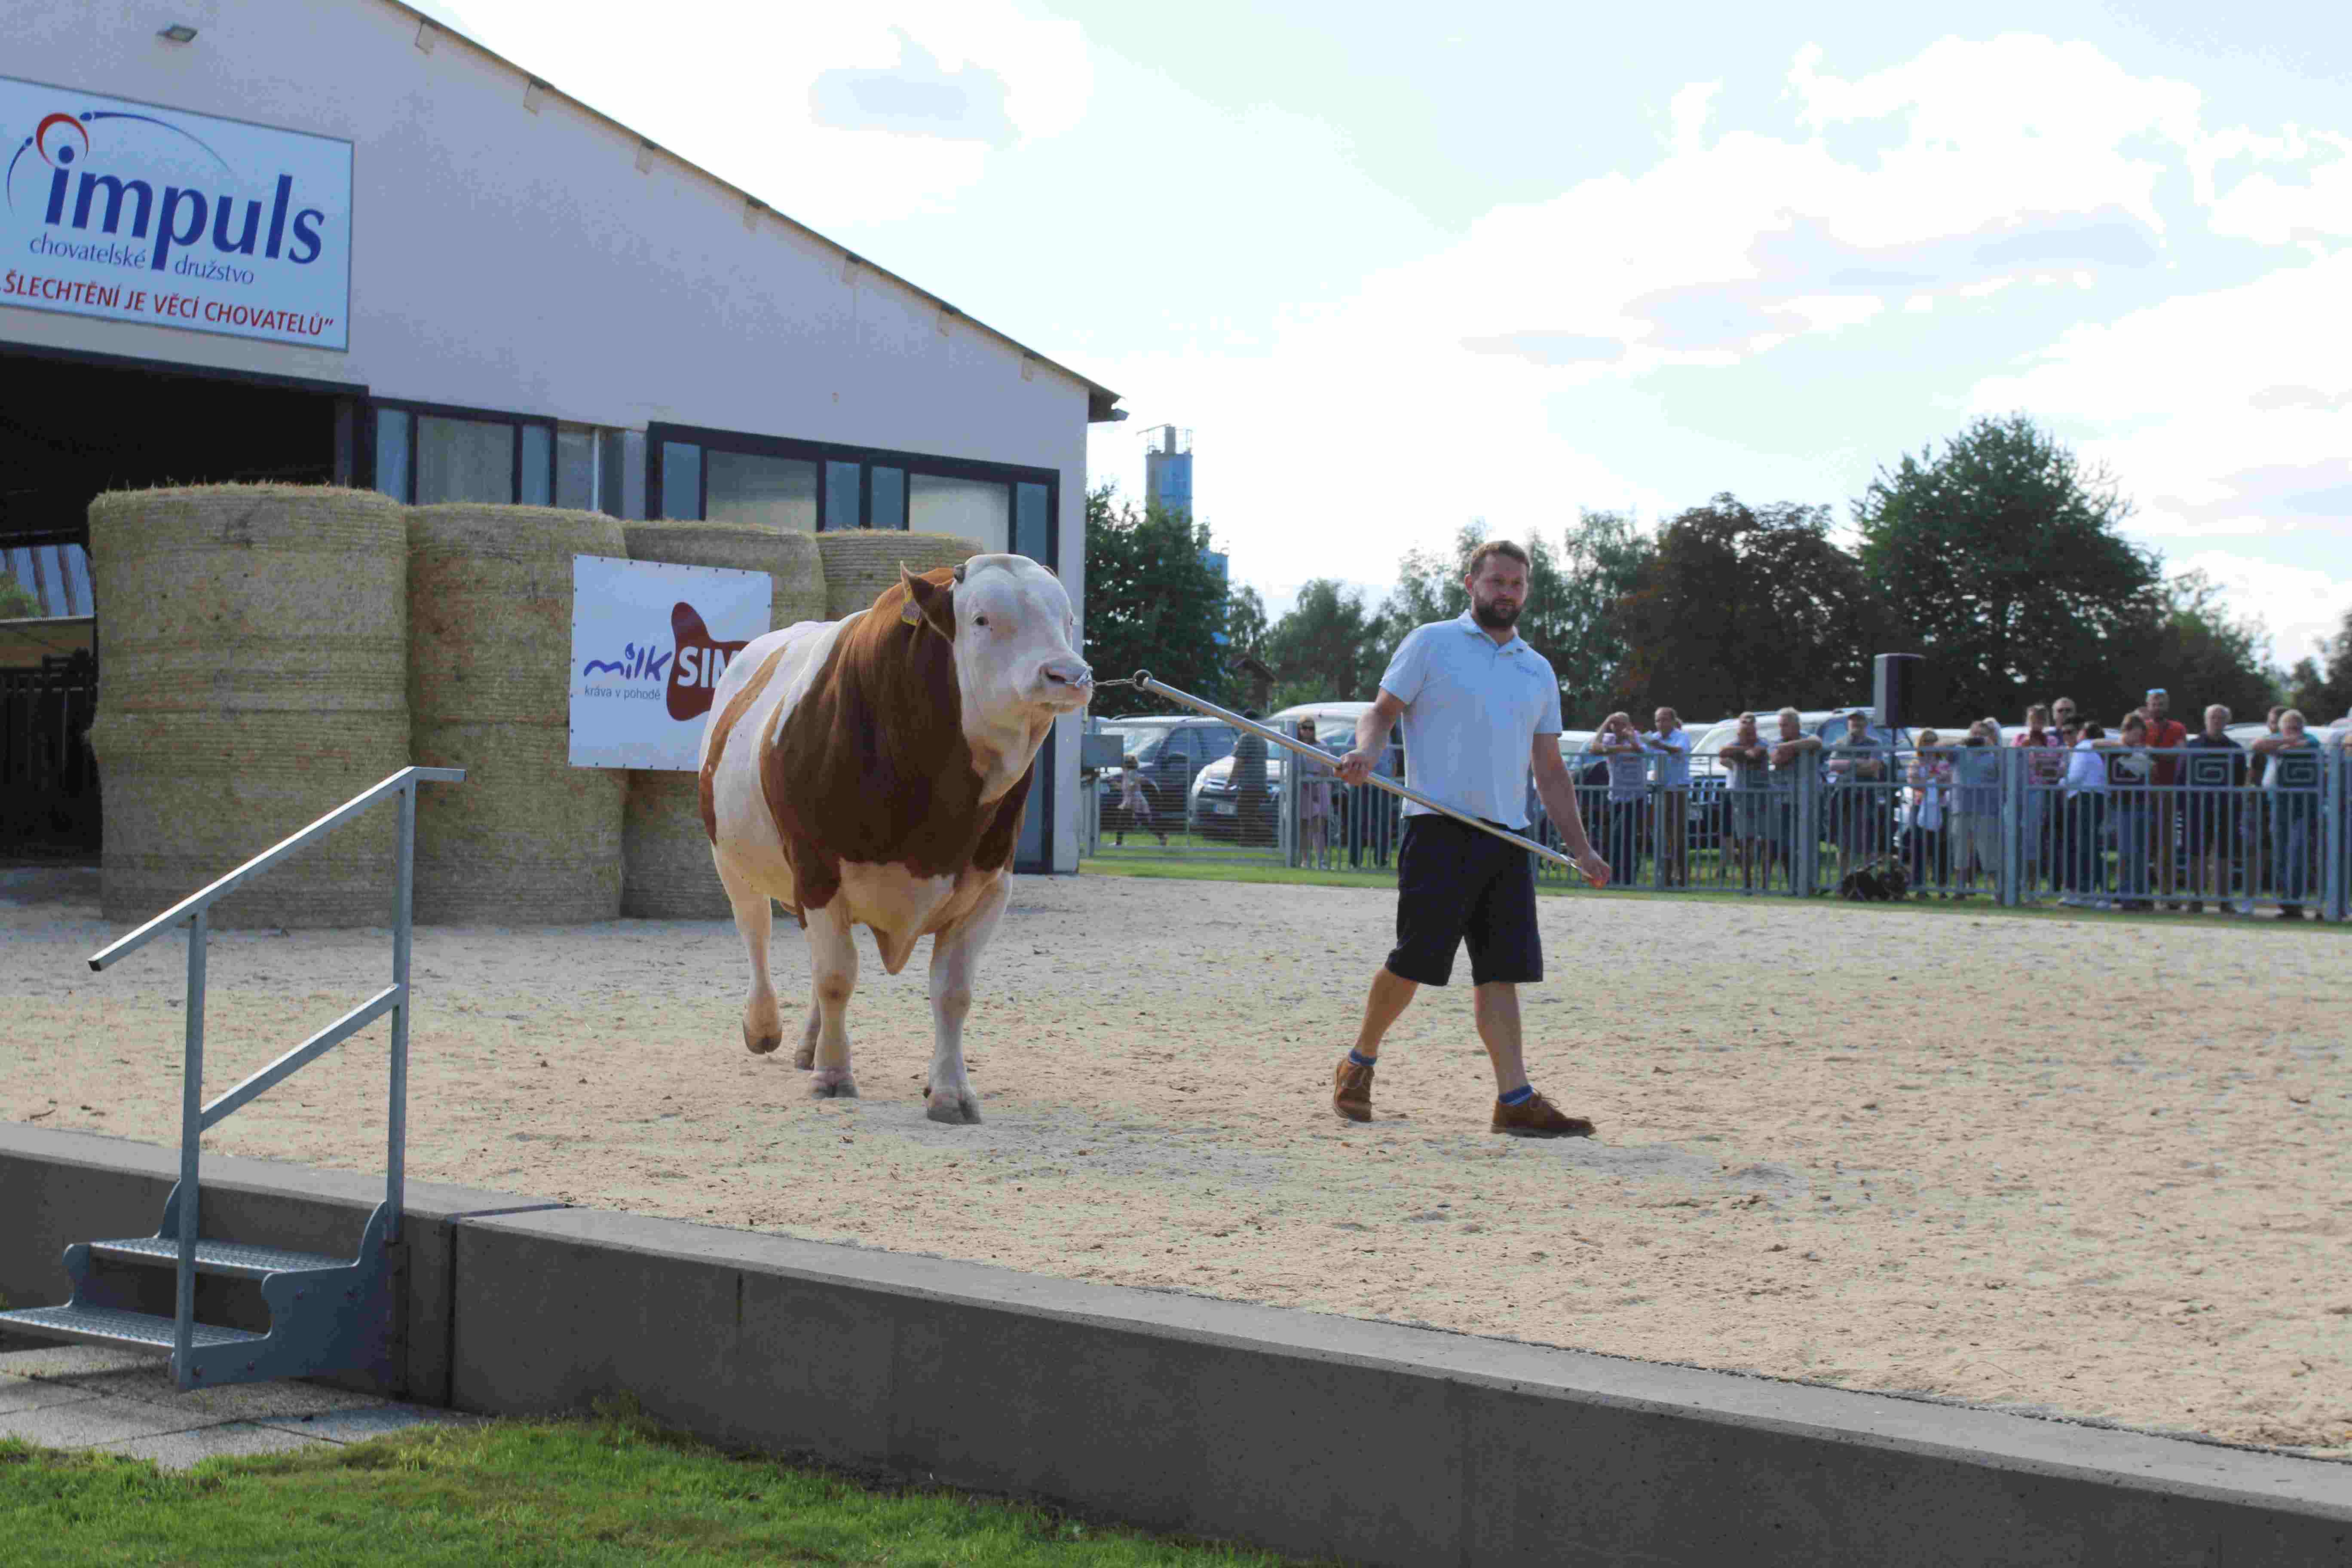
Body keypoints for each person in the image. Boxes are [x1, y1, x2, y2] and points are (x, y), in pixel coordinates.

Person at [1330, 540, 1609, 1137]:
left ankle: (1515, 1099)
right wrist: (1368, 753)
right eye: (1496, 581)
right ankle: (1359, 1063)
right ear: (1471, 584)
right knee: (1413, 963)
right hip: (1436, 829)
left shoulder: (1537, 669)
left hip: (1509, 839)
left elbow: (1550, 769)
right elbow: (1381, 713)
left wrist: (1581, 848)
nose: (1506, 592)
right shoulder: (1431, 643)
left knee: (1500, 973)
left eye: (1517, 584)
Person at [2251, 710, 2321, 919]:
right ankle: (2287, 904)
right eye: (2289, 728)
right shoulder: (2274, 737)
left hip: (2305, 806)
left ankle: (2294, 901)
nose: (2293, 732)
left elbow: (2310, 745)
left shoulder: (2311, 738)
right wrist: (2287, 742)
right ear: (2281, 728)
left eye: (2297, 728)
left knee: (2298, 852)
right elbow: (2258, 745)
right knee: (2280, 853)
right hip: (2279, 804)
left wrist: (2284, 745)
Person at [2180, 704, 2248, 916]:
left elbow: (2240, 783)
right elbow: (2181, 779)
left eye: (2221, 718)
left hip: (2226, 811)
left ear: (2227, 721)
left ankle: (2225, 901)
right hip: (2195, 810)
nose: (2217, 721)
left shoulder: (2236, 750)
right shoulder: (2192, 747)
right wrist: (2183, 808)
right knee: (2195, 855)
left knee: (2225, 856)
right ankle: (2195, 899)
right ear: (2205, 720)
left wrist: (2237, 809)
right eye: (2213, 718)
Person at [1822, 710, 1889, 882]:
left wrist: (1848, 766)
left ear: (1865, 724)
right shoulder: (1841, 743)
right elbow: (1833, 765)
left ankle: (1865, 882)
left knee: (1867, 844)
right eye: (1853, 721)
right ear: (1848, 724)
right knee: (1843, 844)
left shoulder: (1875, 744)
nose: (1856, 725)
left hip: (1867, 797)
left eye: (1859, 721)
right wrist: (1858, 762)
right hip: (1843, 797)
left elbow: (1873, 767)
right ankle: (1843, 882)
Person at [1942, 719, 2004, 899]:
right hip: (1961, 809)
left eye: (1981, 735)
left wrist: (1992, 746)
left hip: (1987, 810)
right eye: (1974, 734)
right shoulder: (1959, 752)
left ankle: (1998, 892)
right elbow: (1939, 746)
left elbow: (2005, 774)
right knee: (1960, 853)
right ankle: (1960, 890)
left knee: (1989, 853)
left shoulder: (1994, 754)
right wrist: (1962, 741)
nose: (1977, 738)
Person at [2138, 688, 2189, 906]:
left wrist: (2152, 752)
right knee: (2143, 843)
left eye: (2161, 704)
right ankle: (2143, 893)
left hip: (2168, 792)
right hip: (2143, 793)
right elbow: (2135, 751)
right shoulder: (2141, 726)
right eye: (2154, 704)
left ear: (2167, 706)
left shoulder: (2178, 728)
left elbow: (2181, 752)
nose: (2157, 708)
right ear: (2148, 705)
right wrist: (2162, 753)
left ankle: (2168, 894)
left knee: (2167, 845)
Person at [2103, 713, 2158, 909]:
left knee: (2141, 852)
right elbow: (2095, 744)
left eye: (2141, 735)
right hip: (2121, 805)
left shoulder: (2142, 750)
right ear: (2125, 731)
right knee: (2126, 852)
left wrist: (2143, 755)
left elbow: (2153, 773)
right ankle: (2127, 896)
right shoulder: (2114, 747)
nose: (2138, 739)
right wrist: (2122, 747)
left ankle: (2143, 894)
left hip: (2142, 803)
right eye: (2135, 734)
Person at [2013, 704, 2067, 894]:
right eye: (2032, 719)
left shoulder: (2051, 741)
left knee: (2033, 840)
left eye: (2039, 720)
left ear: (2045, 722)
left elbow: (2057, 768)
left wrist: (2040, 755)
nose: (2035, 723)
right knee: (2015, 838)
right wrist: (2024, 748)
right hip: (2017, 793)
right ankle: (2016, 884)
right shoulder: (2019, 739)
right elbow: (2011, 763)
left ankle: (2032, 886)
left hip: (2038, 793)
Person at [1718, 712, 1773, 890]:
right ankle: (1747, 883)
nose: (1749, 737)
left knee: (1766, 840)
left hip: (1763, 796)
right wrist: (1742, 751)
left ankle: (1765, 883)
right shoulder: (1736, 744)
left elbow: (1756, 753)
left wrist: (1739, 753)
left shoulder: (1763, 742)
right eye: (1745, 733)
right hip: (1741, 798)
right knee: (1745, 840)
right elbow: (1723, 752)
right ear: (1739, 734)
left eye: (1751, 733)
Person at [1596, 712, 1650, 889]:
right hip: (1616, 798)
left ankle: (1627, 879)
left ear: (1628, 725)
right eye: (1614, 724)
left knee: (1623, 837)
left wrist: (1629, 741)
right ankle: (1616, 878)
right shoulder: (1609, 739)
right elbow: (1594, 748)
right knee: (1614, 839)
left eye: (1621, 723)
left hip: (1635, 797)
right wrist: (1606, 722)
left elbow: (1640, 750)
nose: (1617, 727)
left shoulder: (1638, 737)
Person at [2061, 721, 2110, 907]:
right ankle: (2091, 892)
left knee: (2087, 847)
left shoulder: (2084, 747)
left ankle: (2093, 893)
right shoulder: (2092, 750)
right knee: (2088, 846)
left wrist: (2059, 783)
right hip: (2091, 798)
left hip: (2085, 798)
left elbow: (2075, 778)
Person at [1643, 707, 1693, 887]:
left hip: (1678, 791)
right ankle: (1665, 878)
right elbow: (1641, 752)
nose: (1661, 723)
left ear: (1673, 721)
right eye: (1658, 720)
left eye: (1664, 720)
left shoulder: (1681, 736)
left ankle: (1683, 878)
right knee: (1662, 836)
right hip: (1660, 792)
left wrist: (1660, 746)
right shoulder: (1654, 738)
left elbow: (1680, 751)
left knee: (1678, 835)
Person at [1767, 707, 1815, 885]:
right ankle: (1792, 884)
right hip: (1784, 802)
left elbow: (1816, 743)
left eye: (1785, 725)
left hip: (1807, 801)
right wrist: (1798, 747)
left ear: (1797, 725)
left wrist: (1788, 747)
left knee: (1808, 843)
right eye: (1780, 725)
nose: (1782, 729)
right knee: (1787, 844)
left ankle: (1809, 883)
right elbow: (1777, 758)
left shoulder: (1809, 737)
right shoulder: (1775, 742)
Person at [1903, 729, 1950, 896]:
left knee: (1941, 847)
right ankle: (1919, 887)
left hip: (1941, 807)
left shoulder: (1944, 763)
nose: (1930, 744)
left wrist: (1930, 783)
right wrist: (1934, 783)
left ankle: (1942, 887)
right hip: (1919, 807)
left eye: (1933, 741)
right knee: (1919, 847)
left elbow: (1948, 783)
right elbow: (1913, 782)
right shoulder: (1915, 763)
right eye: (1927, 741)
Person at [1294, 718, 1335, 863]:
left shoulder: (1321, 746)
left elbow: (1327, 767)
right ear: (1299, 729)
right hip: (1302, 787)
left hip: (1319, 785)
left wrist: (1317, 785)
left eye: (1311, 728)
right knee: (1304, 825)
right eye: (1304, 728)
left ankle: (1321, 861)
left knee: (1319, 825)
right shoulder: (1294, 744)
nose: (1308, 731)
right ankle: (1305, 861)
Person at [1113, 754, 1164, 847]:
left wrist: (1130, 786)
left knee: (1122, 822)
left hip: (1134, 801)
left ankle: (1118, 843)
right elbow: (1127, 787)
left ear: (1126, 765)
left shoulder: (1131, 774)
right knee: (1144, 822)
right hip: (1132, 800)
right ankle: (1162, 837)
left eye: (1123, 763)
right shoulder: (1127, 774)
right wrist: (1117, 785)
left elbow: (1133, 785)